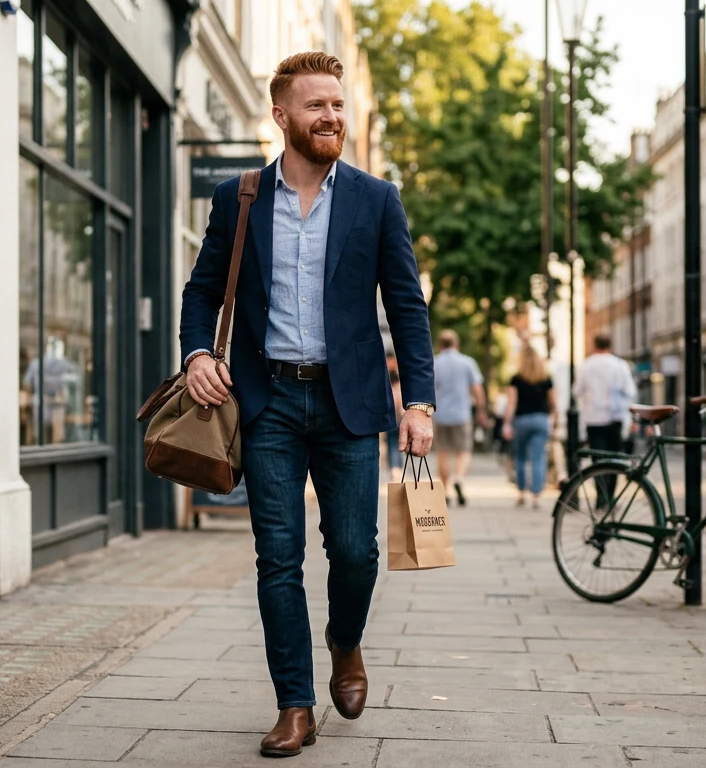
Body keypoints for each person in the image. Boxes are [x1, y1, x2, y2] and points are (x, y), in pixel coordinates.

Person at [179, 52, 434, 758]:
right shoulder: (240, 197)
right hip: (267, 405)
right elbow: (201, 292)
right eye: (316, 105)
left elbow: (407, 307)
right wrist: (200, 354)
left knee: (356, 553)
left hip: (350, 403)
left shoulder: (376, 199)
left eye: (338, 105)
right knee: (278, 560)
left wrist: (420, 403)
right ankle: (295, 704)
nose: (331, 116)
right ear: (281, 115)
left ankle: (345, 641)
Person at [573, 335, 637, 503]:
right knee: (614, 460)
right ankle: (610, 497)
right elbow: (630, 392)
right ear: (610, 345)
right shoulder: (620, 365)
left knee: (598, 461)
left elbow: (577, 391)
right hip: (615, 418)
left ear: (594, 345)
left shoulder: (586, 366)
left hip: (593, 419)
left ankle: (601, 498)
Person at [431, 330, 485, 507]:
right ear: (456, 344)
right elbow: (477, 389)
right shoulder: (467, 362)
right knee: (464, 451)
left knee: (442, 453)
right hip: (462, 414)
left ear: (440, 345)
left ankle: (445, 492)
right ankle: (459, 478)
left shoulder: (435, 363)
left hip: (440, 415)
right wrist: (481, 410)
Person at [501, 346, 555, 508]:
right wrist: (554, 420)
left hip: (522, 420)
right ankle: (536, 496)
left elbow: (511, 403)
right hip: (541, 419)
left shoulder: (516, 379)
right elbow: (553, 402)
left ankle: (521, 492)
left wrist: (506, 423)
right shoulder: (546, 379)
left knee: (521, 457)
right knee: (538, 458)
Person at [384, 367, 404, 482]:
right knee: (398, 446)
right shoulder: (399, 389)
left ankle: (394, 468)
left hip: (390, 422)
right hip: (399, 422)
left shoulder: (388, 390)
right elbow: (401, 407)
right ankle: (397, 469)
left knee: (391, 446)